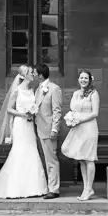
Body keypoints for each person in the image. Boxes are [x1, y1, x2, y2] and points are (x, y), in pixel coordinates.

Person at [0, 65, 48, 198]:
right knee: (20, 151)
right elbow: (9, 109)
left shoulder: (32, 90)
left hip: (29, 125)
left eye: (32, 72)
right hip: (20, 124)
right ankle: (15, 188)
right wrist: (24, 114)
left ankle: (33, 187)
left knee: (31, 150)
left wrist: (32, 112)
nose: (33, 74)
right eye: (30, 72)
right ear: (24, 75)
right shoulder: (17, 90)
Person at [61, 69, 99, 201]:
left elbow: (95, 113)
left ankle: (89, 188)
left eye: (86, 78)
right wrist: (71, 119)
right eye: (81, 78)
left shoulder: (93, 94)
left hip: (89, 128)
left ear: (90, 80)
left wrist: (79, 120)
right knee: (81, 159)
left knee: (89, 158)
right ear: (78, 79)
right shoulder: (76, 93)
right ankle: (86, 188)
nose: (83, 80)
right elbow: (73, 109)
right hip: (78, 129)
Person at [34, 64, 63, 199]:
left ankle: (54, 189)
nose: (33, 75)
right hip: (39, 128)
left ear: (40, 75)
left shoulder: (54, 89)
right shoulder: (38, 89)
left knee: (51, 160)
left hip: (48, 129)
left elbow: (57, 111)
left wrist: (55, 128)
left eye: (35, 73)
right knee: (46, 160)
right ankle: (48, 186)